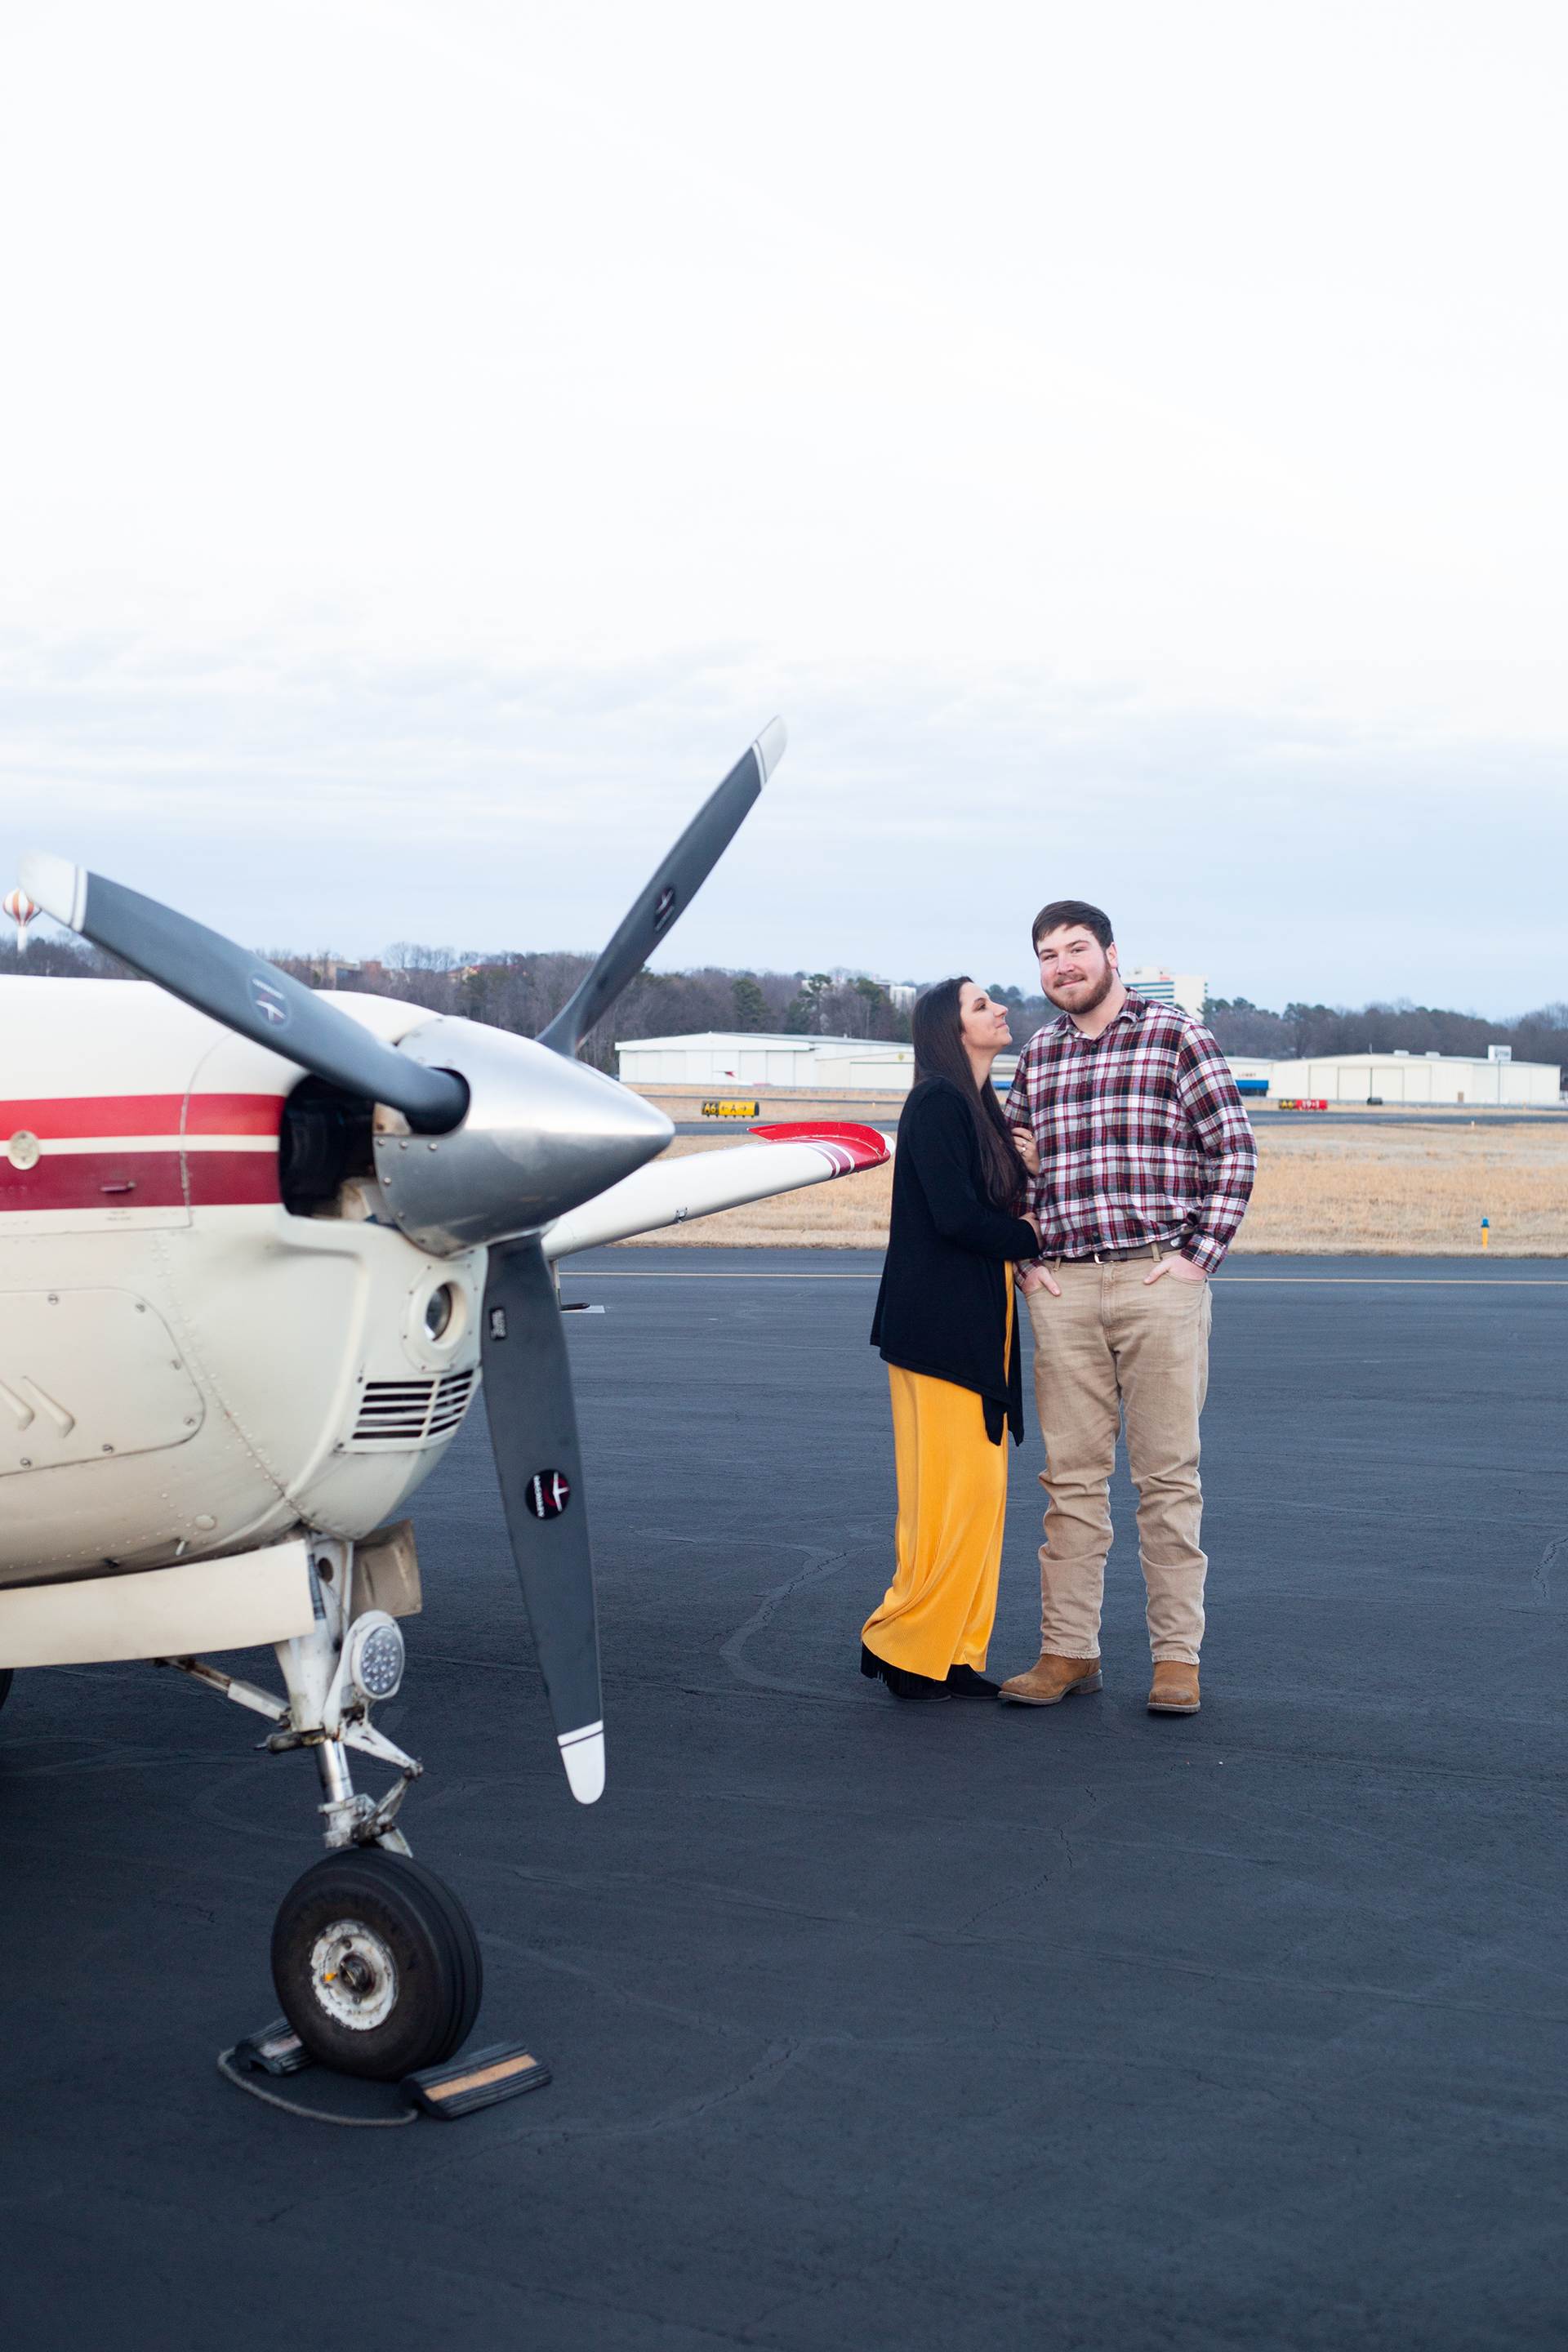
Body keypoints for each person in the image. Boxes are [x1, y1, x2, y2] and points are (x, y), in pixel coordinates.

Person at [1000, 901, 1256, 1717]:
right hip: (1064, 1290)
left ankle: (1176, 1659)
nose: (1062, 965)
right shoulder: (1038, 1055)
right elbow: (1009, 1170)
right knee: (1069, 1481)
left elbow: (1234, 1150)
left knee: (1166, 1478)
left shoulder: (1176, 1035)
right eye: (1048, 955)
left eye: (1076, 949)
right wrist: (1025, 1260)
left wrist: (1195, 1260)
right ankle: (1068, 1650)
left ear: (1112, 955)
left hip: (1157, 1285)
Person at [862, 978, 1043, 1703]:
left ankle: (953, 1650)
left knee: (981, 1496)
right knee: (949, 1496)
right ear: (951, 1030)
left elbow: (981, 1201)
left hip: (972, 1324)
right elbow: (956, 1218)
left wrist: (1019, 1166)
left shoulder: (979, 1106)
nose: (999, 1009)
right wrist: (1029, 1232)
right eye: (980, 1005)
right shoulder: (937, 1103)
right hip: (939, 1331)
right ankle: (906, 1645)